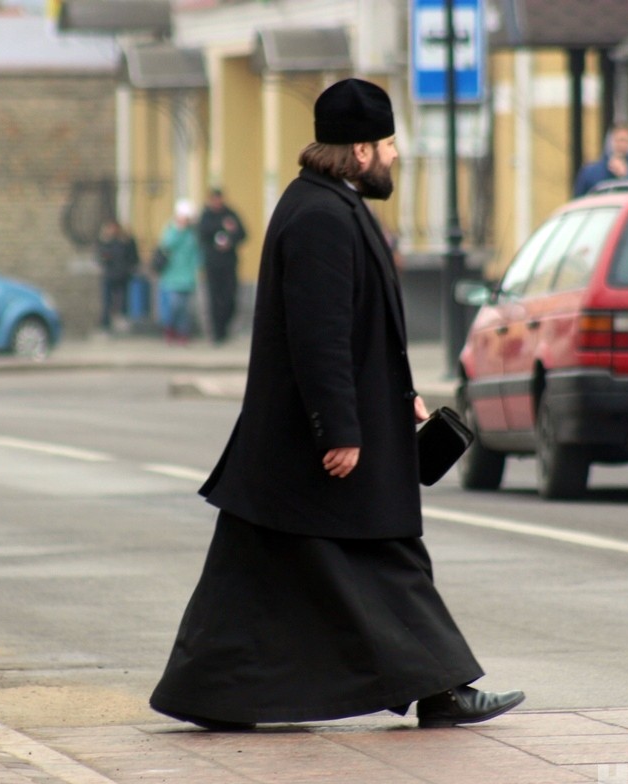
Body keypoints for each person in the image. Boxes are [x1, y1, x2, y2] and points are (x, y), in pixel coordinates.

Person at [149, 78, 525, 731]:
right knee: (385, 557)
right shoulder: (321, 216)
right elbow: (318, 336)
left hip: (299, 446)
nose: (394, 157)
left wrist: (403, 399)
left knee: (253, 575)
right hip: (314, 443)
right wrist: (339, 431)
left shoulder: (327, 205)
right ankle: (444, 691)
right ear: (357, 152)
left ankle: (211, 691)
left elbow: (357, 328)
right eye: (386, 145)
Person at [197, 188, 247, 345]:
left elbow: (243, 234)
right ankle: (217, 332)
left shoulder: (231, 214)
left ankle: (225, 325)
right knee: (214, 297)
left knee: (229, 296)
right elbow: (201, 233)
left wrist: (231, 237)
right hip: (213, 263)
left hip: (229, 263)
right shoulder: (206, 216)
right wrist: (220, 226)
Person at [156, 200, 202, 345]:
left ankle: (183, 333)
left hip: (187, 277)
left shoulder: (192, 234)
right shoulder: (171, 230)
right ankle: (170, 329)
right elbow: (166, 245)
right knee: (173, 307)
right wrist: (178, 230)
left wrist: (198, 267)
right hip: (171, 277)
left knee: (185, 309)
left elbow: (196, 253)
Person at [573, 123, 628, 196]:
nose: (622, 145)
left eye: (626, 141)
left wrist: (627, 176)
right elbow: (578, 200)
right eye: (618, 140)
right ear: (609, 143)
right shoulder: (590, 172)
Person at [95, 220, 139, 335]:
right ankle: (105, 324)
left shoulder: (126, 241)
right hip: (109, 275)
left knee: (124, 299)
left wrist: (130, 268)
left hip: (123, 275)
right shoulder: (105, 241)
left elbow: (133, 257)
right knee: (107, 301)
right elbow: (100, 256)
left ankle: (123, 320)